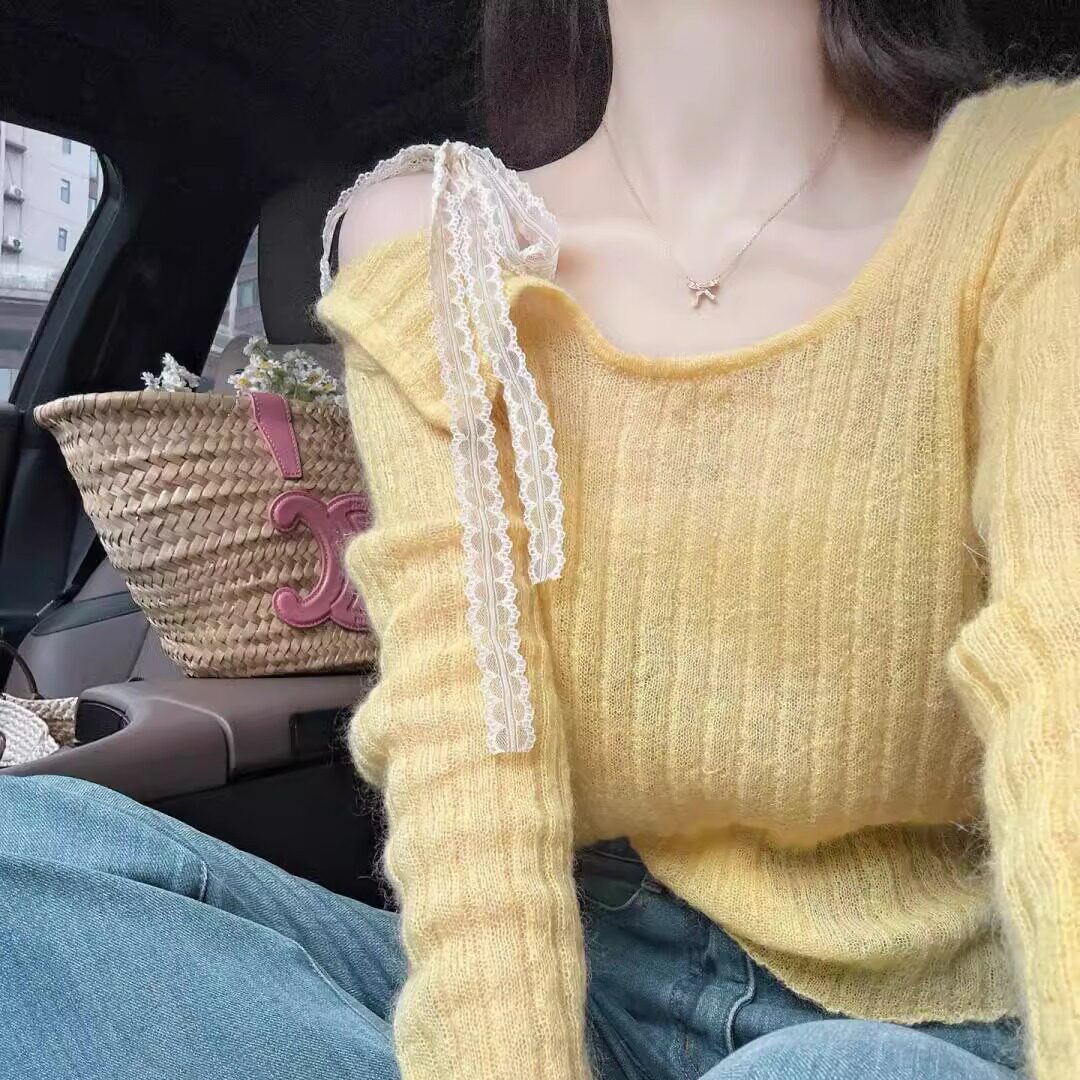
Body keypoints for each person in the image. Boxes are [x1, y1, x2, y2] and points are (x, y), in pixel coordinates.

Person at [2, 2, 1077, 1079]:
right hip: (591, 984)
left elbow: (1057, 692)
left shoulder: (1032, 189)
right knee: (24, 861)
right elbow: (467, 741)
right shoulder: (444, 237)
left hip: (928, 1023)